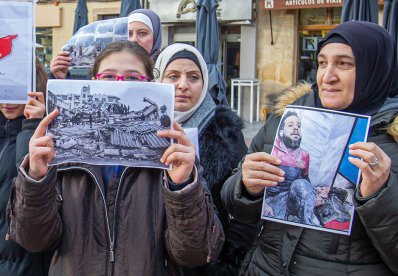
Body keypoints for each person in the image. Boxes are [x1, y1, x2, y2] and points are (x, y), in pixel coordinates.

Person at [8, 41, 224, 275]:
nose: (120, 86)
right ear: (94, 82)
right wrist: (36, 179)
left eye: (132, 78)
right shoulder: (61, 155)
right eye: (109, 76)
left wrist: (181, 187)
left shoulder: (173, 157)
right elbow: (33, 241)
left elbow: (197, 253)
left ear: (151, 84)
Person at [221, 21, 398, 275]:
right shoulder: (284, 120)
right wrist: (246, 187)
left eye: (344, 64)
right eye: (322, 63)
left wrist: (381, 195)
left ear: (375, 70)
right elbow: (237, 208)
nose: (327, 76)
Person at [155, 43, 259, 275]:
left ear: (203, 85)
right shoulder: (140, 130)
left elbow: (241, 207)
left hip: (203, 263)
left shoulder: (225, 132)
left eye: (193, 77)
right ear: (158, 80)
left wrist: (226, 264)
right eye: (173, 76)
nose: (183, 85)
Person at [0, 59, 52, 275]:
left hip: (26, 262)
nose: (7, 102)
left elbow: (29, 184)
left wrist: (32, 125)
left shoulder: (46, 134)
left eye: (16, 90)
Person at [50, 8, 162, 79]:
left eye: (142, 33)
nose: (134, 39)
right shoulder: (106, 63)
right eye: (129, 33)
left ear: (156, 37)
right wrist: (61, 78)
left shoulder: (167, 66)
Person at [264, 111, 314, 224]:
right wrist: (264, 205)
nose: (296, 128)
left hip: (292, 197)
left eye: (299, 126)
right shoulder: (271, 150)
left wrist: (312, 193)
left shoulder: (304, 155)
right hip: (272, 198)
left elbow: (305, 179)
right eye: (290, 125)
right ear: (281, 132)